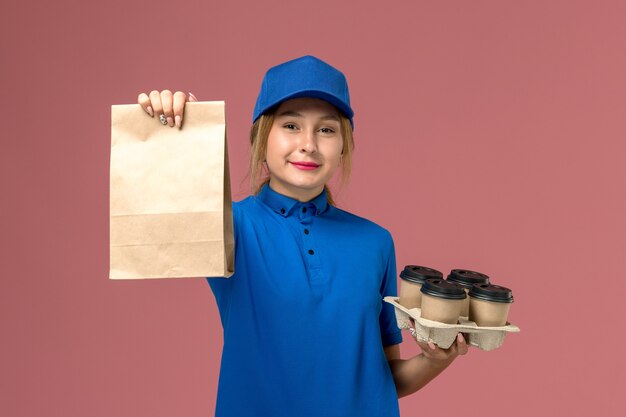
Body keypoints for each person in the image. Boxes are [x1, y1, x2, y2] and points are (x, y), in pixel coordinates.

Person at [137, 55, 468, 417]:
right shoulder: (229, 225)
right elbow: (167, 197)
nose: (309, 144)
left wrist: (437, 359)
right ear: (261, 138)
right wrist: (176, 126)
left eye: (326, 130)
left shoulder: (375, 242)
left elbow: (383, 376)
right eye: (291, 126)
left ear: (344, 146)